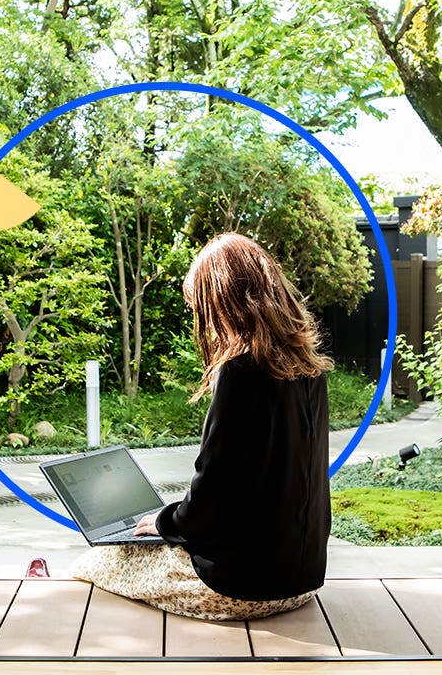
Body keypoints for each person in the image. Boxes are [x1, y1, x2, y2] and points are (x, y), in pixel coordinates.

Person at [67, 232, 332, 621]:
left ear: (227, 303)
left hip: (243, 587)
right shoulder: (310, 370)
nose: (207, 324)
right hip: (303, 580)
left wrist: (164, 521)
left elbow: (212, 498)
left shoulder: (240, 373)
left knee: (98, 561)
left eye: (202, 308)